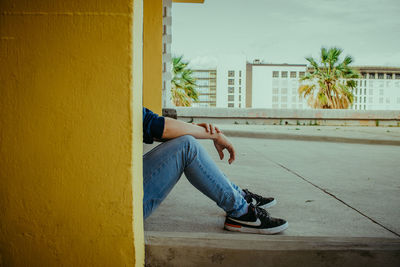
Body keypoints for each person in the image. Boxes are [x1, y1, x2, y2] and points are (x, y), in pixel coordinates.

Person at [143, 107, 288, 234]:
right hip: (125, 206)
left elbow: (149, 128)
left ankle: (240, 198)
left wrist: (192, 128)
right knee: (187, 147)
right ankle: (241, 212)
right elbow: (158, 126)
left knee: (186, 141)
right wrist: (215, 135)